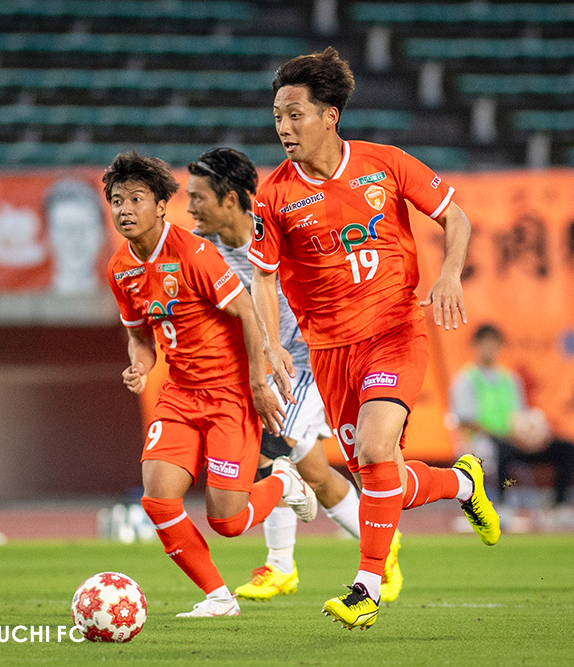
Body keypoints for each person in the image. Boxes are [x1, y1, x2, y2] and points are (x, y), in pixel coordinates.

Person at [248, 47, 500, 630]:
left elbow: (455, 216)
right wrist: (270, 342)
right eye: (278, 116)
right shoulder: (275, 195)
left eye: (295, 114)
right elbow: (262, 275)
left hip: (394, 330)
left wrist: (450, 274)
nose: (284, 127)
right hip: (328, 351)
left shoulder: (383, 163)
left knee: (375, 448)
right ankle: (462, 482)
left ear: (329, 115)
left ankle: (366, 588)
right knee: (378, 474)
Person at [104, 151, 319, 618]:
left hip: (228, 395)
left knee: (228, 521)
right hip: (180, 395)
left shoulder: (194, 254)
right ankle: (219, 597)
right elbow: (140, 337)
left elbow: (248, 312)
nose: (125, 210)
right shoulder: (120, 268)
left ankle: (283, 482)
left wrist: (259, 384)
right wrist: (139, 366)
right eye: (117, 201)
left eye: (136, 199)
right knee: (158, 498)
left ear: (162, 205)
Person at [185, 147, 402, 604]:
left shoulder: (280, 233)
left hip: (309, 361)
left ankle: (280, 565)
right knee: (316, 476)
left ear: (230, 199)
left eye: (198, 197)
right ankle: (382, 539)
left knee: (268, 455)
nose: (190, 207)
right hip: (266, 370)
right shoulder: (205, 252)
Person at [449, 323, 574, 530]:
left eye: (493, 343)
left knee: (567, 448)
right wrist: (504, 435)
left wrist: (532, 434)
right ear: (475, 346)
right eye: (484, 343)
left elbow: (520, 416)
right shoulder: (466, 380)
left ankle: (560, 507)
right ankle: (502, 506)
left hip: (515, 440)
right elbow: (466, 421)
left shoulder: (510, 380)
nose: (489, 348)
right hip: (482, 443)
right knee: (500, 447)